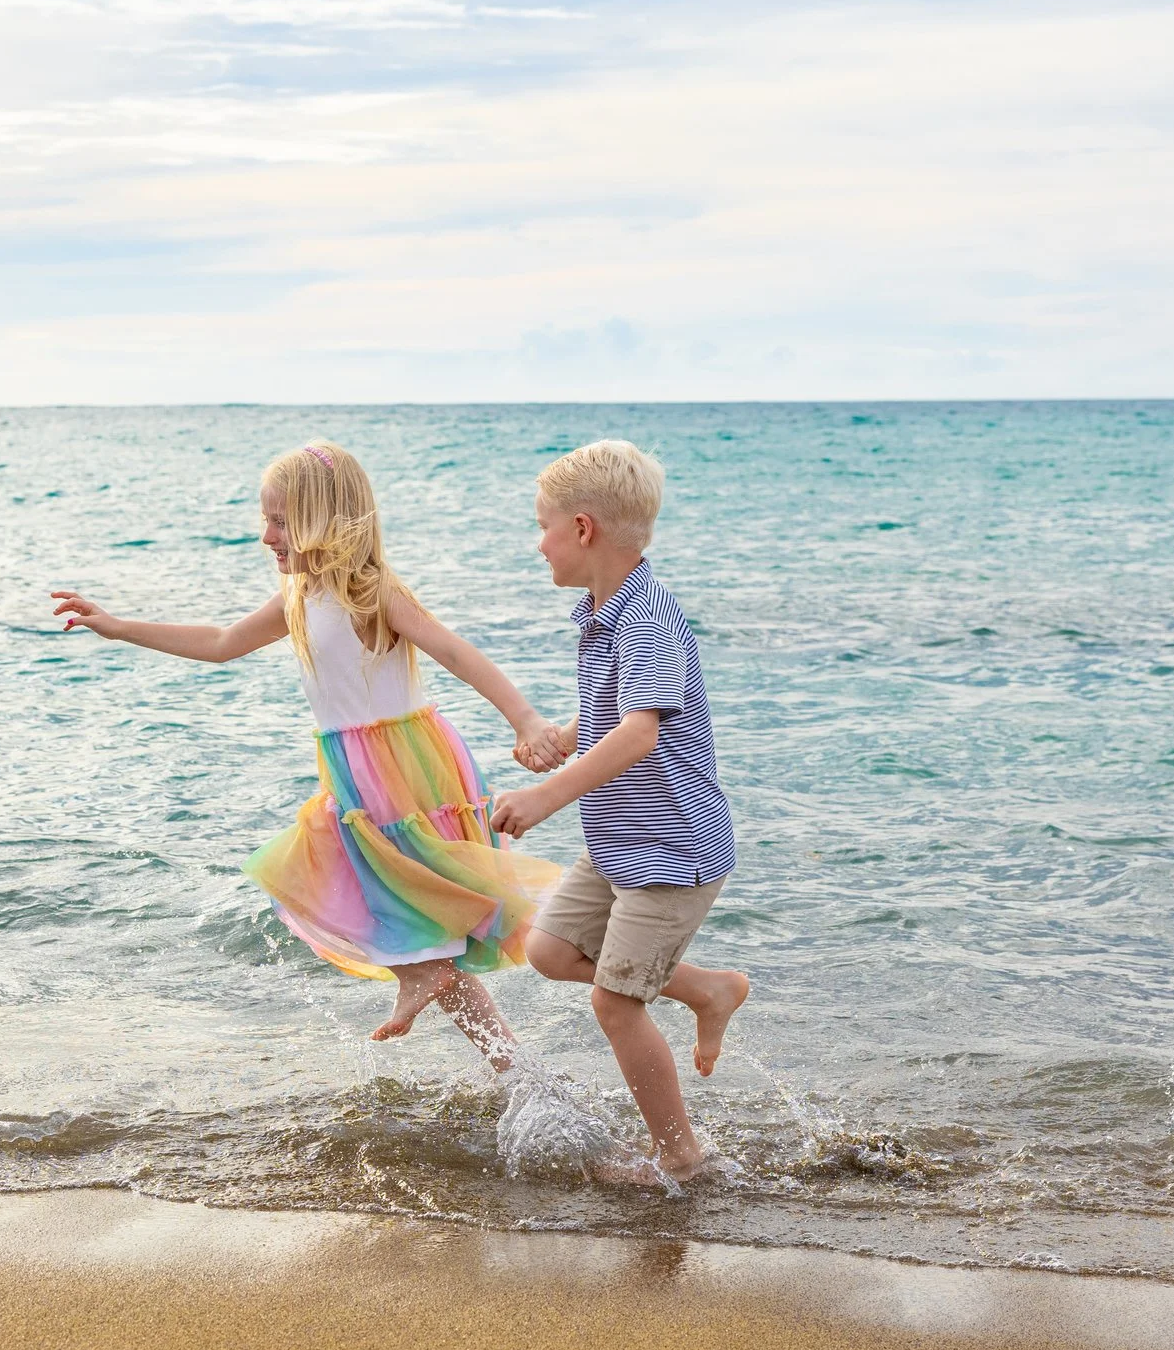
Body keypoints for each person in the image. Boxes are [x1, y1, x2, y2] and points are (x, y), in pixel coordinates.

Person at [51, 441, 564, 1070]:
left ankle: (549, 974)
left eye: (280, 521)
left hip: (401, 762)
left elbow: (454, 652)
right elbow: (220, 642)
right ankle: (519, 1076)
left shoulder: (367, 589)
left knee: (403, 907)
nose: (267, 535)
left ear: (326, 518)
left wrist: (525, 718)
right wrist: (121, 625)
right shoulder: (299, 595)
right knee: (413, 926)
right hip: (355, 767)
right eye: (266, 519)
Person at [492, 440, 750, 1179]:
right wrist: (562, 736)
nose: (536, 543)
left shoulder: (645, 618)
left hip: (672, 852)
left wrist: (547, 792)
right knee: (548, 949)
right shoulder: (604, 614)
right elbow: (613, 711)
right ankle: (707, 988)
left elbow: (641, 730)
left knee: (614, 1002)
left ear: (582, 529)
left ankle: (681, 1156)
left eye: (542, 526)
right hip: (620, 843)